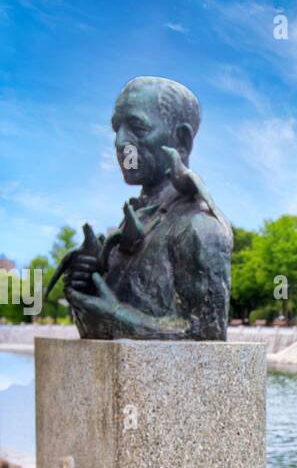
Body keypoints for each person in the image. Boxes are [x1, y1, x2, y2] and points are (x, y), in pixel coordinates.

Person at [59, 77, 231, 340]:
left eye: (137, 128)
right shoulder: (134, 220)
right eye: (116, 129)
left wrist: (115, 316)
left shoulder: (200, 225)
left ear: (181, 140)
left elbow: (206, 333)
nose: (120, 143)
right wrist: (87, 286)